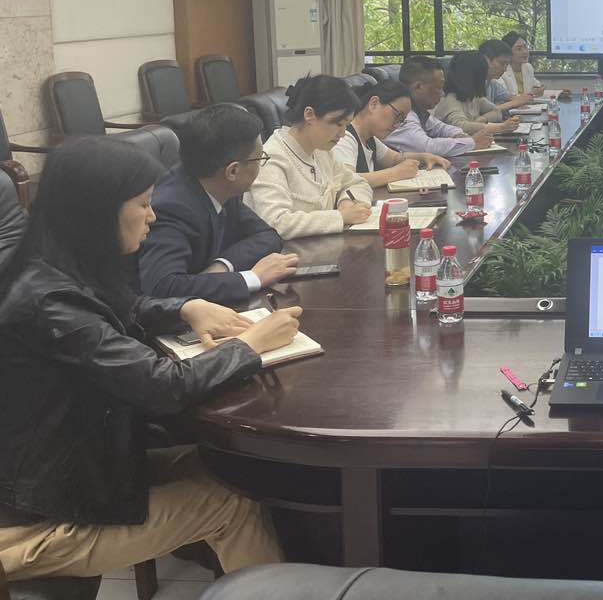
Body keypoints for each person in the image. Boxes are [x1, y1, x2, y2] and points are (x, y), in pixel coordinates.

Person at [0, 136, 301, 581]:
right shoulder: (49, 302)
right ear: (97, 211)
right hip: (39, 516)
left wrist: (185, 307)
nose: (153, 216)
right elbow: (163, 386)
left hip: (79, 467)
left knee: (231, 466)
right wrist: (250, 345)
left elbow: (118, 307)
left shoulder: (53, 263)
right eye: (143, 204)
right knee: (231, 505)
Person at [140, 103, 296, 304]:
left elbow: (267, 235)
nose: (261, 165)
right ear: (233, 171)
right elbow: (163, 287)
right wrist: (252, 278)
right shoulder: (171, 207)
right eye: (260, 159)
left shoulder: (218, 184)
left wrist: (222, 266)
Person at [247, 75, 373, 239]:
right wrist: (340, 217)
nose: (342, 134)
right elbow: (276, 222)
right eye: (338, 124)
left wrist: (346, 202)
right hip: (286, 252)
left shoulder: (321, 151)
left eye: (346, 125)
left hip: (322, 247)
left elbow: (357, 183)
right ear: (309, 115)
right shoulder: (271, 158)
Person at [332, 79, 451, 188]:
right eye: (397, 116)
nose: (397, 125)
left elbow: (394, 158)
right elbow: (345, 181)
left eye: (402, 120)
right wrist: (396, 173)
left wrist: (424, 157)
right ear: (374, 104)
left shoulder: (369, 138)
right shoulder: (344, 137)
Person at [386, 57, 495, 159]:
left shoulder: (417, 109)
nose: (442, 94)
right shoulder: (399, 113)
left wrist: (459, 135)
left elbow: (440, 128)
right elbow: (426, 147)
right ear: (418, 87)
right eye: (438, 88)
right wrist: (472, 142)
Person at [433, 52, 521, 137]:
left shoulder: (474, 97)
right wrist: (500, 128)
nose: (485, 78)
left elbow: (497, 112)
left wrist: (483, 119)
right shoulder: (450, 100)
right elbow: (461, 126)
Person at [478, 39, 535, 109]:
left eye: (507, 64)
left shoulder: (493, 84)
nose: (504, 69)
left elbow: (509, 97)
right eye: (502, 63)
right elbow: (488, 110)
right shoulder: (474, 84)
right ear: (486, 60)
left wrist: (523, 98)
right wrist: (514, 103)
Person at [500, 30, 544, 98]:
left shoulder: (527, 67)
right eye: (519, 49)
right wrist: (531, 94)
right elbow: (505, 97)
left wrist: (540, 89)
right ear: (508, 52)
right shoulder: (501, 71)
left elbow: (537, 86)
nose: (525, 52)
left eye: (525, 47)